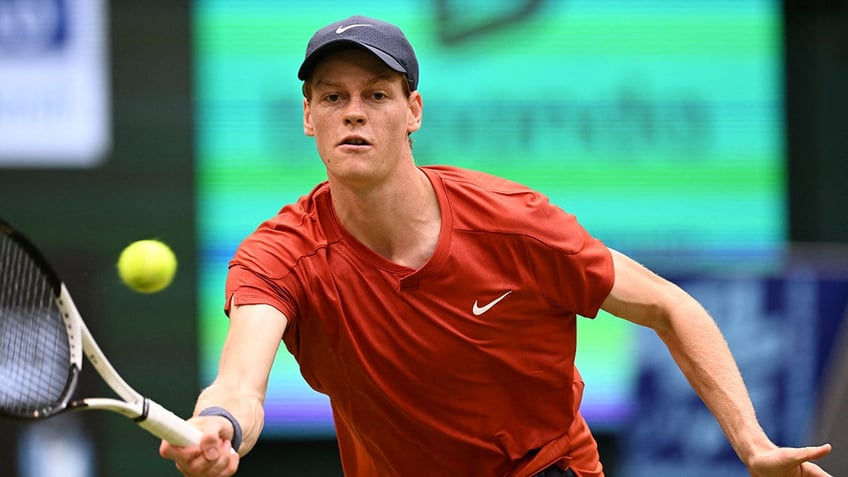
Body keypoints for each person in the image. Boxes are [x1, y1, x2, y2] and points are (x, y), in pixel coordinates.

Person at [160, 15, 833, 477]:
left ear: (413, 110)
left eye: (376, 94)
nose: (354, 112)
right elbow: (240, 381)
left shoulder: (514, 223)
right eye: (332, 96)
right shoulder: (281, 254)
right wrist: (219, 425)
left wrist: (752, 442)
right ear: (308, 117)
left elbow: (668, 306)